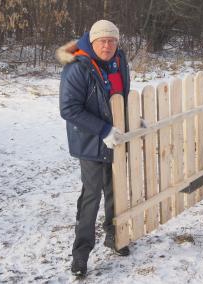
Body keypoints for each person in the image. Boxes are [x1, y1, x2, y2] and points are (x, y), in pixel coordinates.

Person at [57, 19, 130, 276]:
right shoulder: (78, 68)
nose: (108, 45)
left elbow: (122, 97)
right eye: (103, 41)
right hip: (90, 141)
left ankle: (115, 237)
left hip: (117, 138)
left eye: (112, 40)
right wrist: (103, 130)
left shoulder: (119, 61)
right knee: (92, 195)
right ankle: (81, 255)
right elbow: (68, 109)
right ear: (93, 41)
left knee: (116, 190)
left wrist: (131, 119)